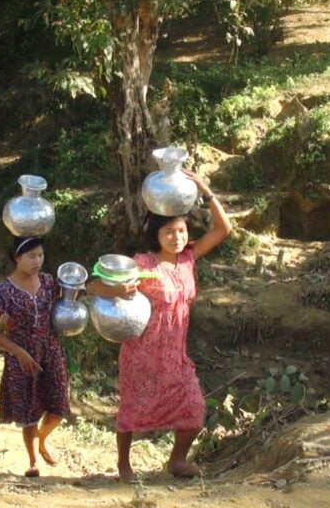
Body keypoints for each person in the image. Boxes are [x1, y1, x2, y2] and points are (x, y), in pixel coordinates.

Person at [89, 170, 231, 482]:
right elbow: (95, 285)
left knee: (193, 406)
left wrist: (205, 190)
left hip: (175, 353)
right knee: (131, 409)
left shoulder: (189, 258)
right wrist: (117, 290)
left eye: (181, 231)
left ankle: (177, 461)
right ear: (156, 235)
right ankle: (124, 466)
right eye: (169, 232)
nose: (176, 238)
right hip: (143, 351)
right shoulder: (142, 264)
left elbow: (224, 228)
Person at [0, 236, 71, 478]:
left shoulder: (49, 282)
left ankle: (42, 440)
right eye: (31, 256)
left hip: (51, 352)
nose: (37, 261)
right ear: (16, 258)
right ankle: (33, 461)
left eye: (40, 255)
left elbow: (69, 304)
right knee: (29, 412)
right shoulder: (3, 291)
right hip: (20, 357)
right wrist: (17, 351)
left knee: (59, 407)